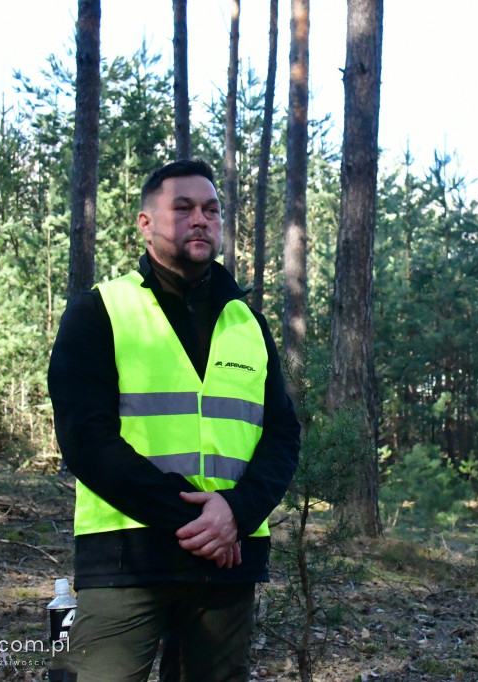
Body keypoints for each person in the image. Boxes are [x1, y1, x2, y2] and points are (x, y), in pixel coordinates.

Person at [47, 159, 301, 682]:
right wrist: (194, 520)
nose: (200, 219)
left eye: (211, 209)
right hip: (127, 558)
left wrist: (236, 512)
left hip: (228, 561)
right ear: (145, 223)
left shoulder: (246, 321)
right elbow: (85, 438)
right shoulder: (100, 311)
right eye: (182, 208)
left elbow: (282, 433)